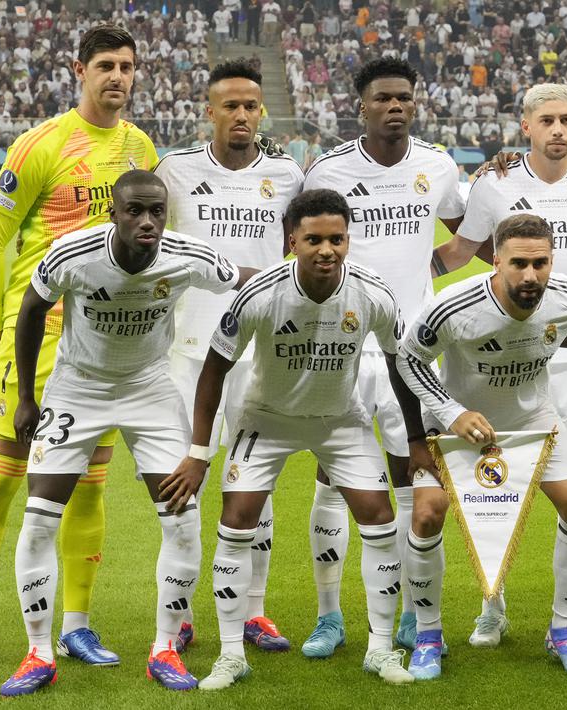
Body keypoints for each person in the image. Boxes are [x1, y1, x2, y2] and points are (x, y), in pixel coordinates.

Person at [0, 25, 157, 674]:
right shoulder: (42, 146)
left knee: (88, 489)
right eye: (105, 66)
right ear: (78, 70)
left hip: (106, 350)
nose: (118, 76)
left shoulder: (139, 147)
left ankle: (77, 627)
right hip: (37, 342)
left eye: (127, 66)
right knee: (3, 480)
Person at [0, 170, 251, 696]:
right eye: (134, 210)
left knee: (183, 519)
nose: (147, 221)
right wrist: (27, 395)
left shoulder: (188, 254)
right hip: (77, 387)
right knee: (41, 518)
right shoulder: (74, 253)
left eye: (156, 211)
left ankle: (164, 648)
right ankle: (38, 653)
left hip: (151, 388)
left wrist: (307, 274)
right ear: (113, 213)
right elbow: (30, 311)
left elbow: (242, 278)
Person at [171, 189, 415, 688]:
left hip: (340, 419)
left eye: (337, 239)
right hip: (265, 418)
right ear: (292, 241)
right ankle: (232, 655)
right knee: (237, 522)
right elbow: (214, 371)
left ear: (349, 239)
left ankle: (381, 649)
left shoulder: (374, 294)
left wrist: (416, 440)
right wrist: (200, 452)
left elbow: (399, 365)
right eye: (314, 240)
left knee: (380, 517)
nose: (326, 250)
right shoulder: (259, 293)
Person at [431, 83, 567, 646]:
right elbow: (460, 253)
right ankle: (493, 604)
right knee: (491, 489)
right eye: (547, 121)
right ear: (526, 126)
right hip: (507, 359)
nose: (559, 130)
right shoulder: (494, 184)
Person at [395, 214, 567, 679]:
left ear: (552, 261)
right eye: (518, 263)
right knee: (427, 513)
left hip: (533, 419)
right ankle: (429, 635)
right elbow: (408, 359)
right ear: (497, 261)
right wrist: (451, 411)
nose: (530, 275)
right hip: (456, 425)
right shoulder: (454, 305)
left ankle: (564, 630)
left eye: (540, 263)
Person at [300, 57, 465, 657]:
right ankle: (328, 616)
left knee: (411, 473)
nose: (395, 107)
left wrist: (436, 266)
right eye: (383, 99)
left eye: (404, 98)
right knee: (331, 475)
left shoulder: (438, 165)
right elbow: (298, 244)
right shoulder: (329, 170)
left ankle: (405, 615)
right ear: (361, 106)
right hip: (341, 345)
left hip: (412, 350)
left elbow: (469, 229)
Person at [154, 57, 304, 654]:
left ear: (260, 110)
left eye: (250, 105)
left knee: (254, 487)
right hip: (188, 353)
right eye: (230, 106)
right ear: (208, 111)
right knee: (180, 486)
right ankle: (180, 613)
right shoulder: (176, 170)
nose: (242, 115)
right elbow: (147, 239)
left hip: (261, 355)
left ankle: (253, 612)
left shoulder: (288, 174)